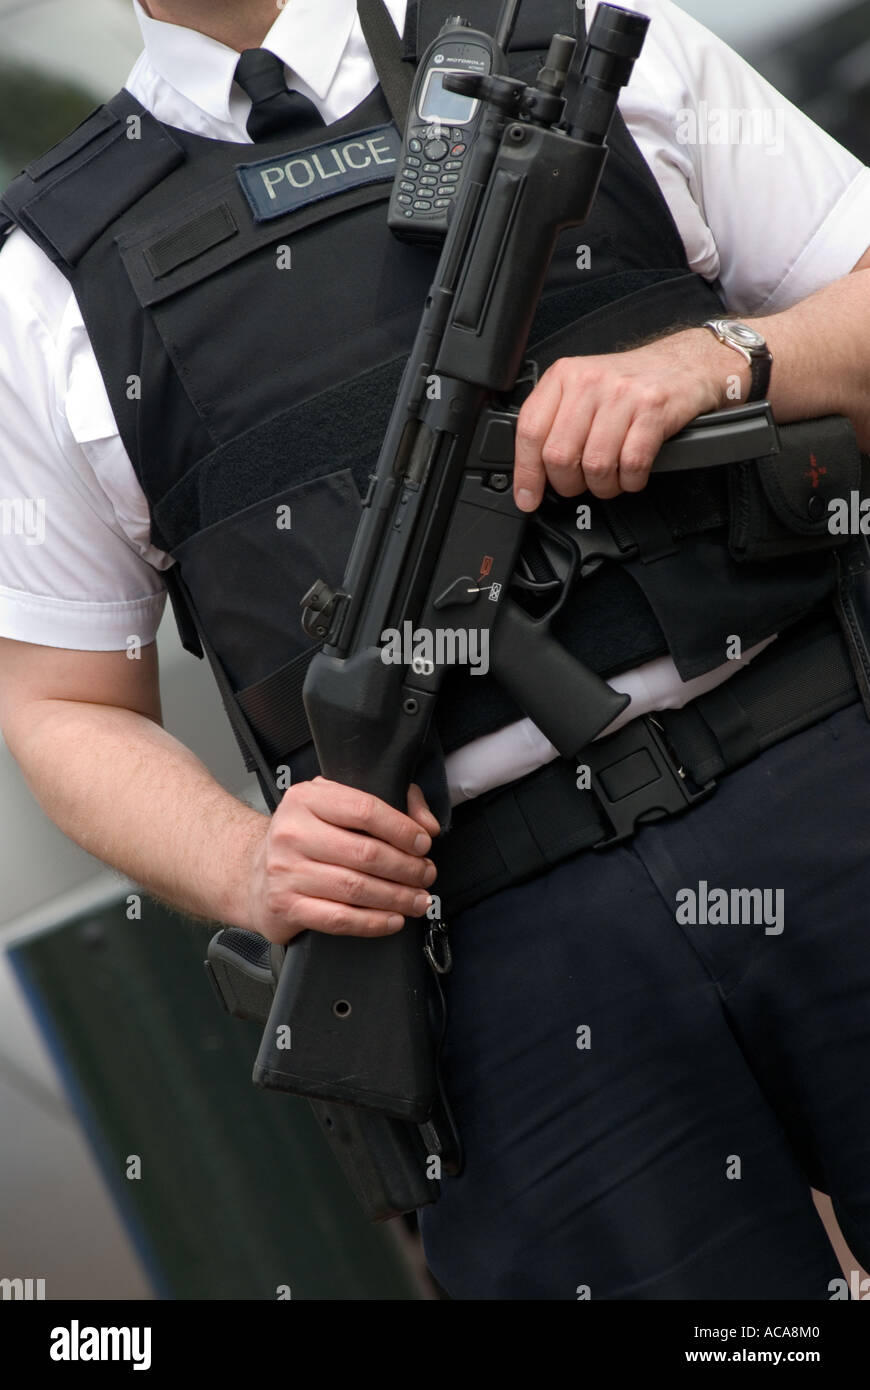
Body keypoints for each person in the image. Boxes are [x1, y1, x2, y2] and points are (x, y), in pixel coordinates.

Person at [1, 0, 869, 1300]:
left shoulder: (574, 38)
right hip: (501, 963)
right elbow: (60, 700)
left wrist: (719, 356)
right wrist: (248, 860)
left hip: (823, 789)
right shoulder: (52, 274)